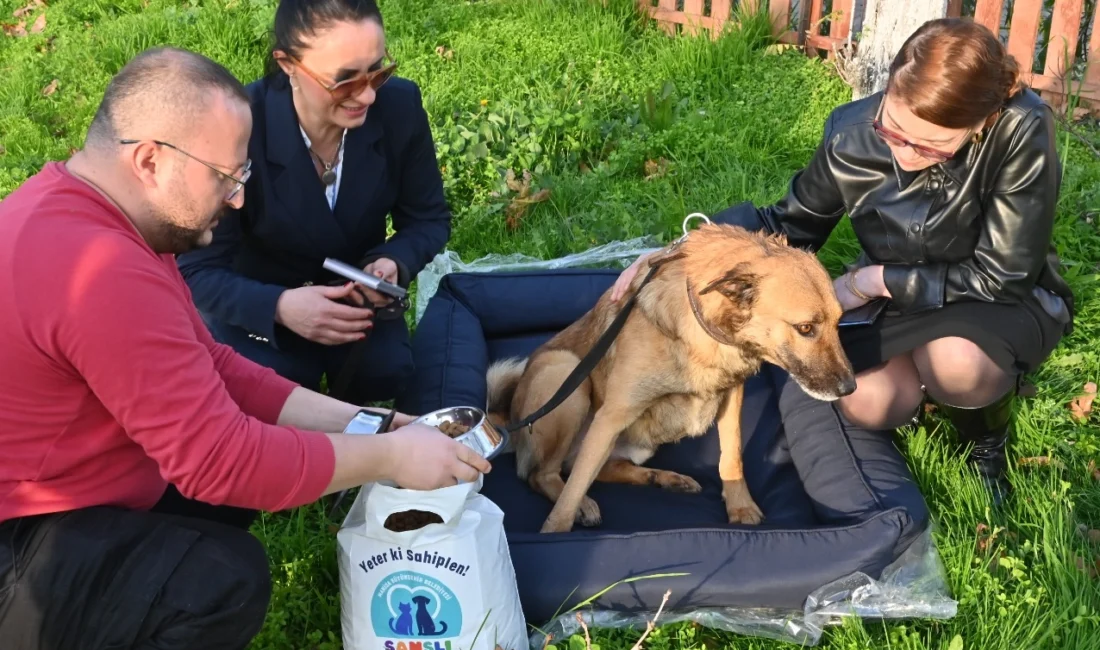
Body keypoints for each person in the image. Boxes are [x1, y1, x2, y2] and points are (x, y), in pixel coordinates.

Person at [0, 46, 489, 650]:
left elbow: (214, 363)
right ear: (151, 160)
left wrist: (377, 425)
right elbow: (220, 462)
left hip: (72, 484)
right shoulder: (101, 271)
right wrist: (392, 461)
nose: (236, 199)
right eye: (226, 177)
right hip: (22, 535)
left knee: (228, 503)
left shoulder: (100, 216)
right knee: (223, 582)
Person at [611, 18, 1075, 503]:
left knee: (957, 363)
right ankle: (917, 396)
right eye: (893, 129)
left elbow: (1005, 273)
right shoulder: (851, 133)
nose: (906, 153)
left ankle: (985, 443)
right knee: (869, 402)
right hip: (899, 300)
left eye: (932, 146)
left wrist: (872, 280)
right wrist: (683, 250)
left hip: (991, 293)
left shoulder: (1022, 127)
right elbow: (790, 223)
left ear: (980, 124)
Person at [177, 0, 451, 410]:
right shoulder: (240, 126)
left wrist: (391, 260)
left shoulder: (399, 106)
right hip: (259, 303)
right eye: (344, 81)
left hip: (355, 304)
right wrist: (280, 306)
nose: (368, 95)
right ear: (288, 64)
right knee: (270, 391)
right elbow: (196, 268)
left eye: (379, 71)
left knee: (387, 370)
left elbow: (428, 218)